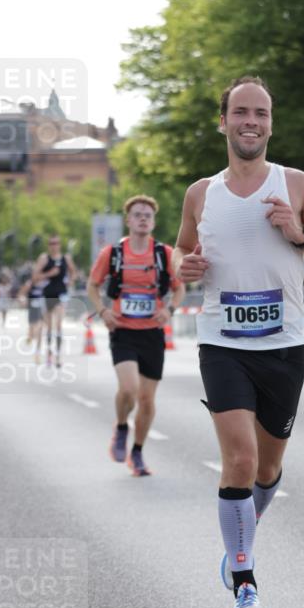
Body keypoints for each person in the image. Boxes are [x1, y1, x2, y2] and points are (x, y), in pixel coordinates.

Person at [173, 76, 304, 608]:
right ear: (223, 122)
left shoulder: (294, 183)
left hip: (283, 345)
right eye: (241, 112)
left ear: (270, 124)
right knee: (241, 461)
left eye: (261, 113)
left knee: (267, 470)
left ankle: (238, 540)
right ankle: (245, 589)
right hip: (222, 343)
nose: (251, 121)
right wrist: (182, 266)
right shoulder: (201, 193)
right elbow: (182, 248)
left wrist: (299, 235)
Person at [87, 195, 184, 476]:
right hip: (123, 331)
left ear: (153, 222)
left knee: (147, 400)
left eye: (147, 215)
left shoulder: (164, 254)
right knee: (129, 389)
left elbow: (179, 288)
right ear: (128, 220)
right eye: (138, 215)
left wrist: (169, 310)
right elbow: (93, 285)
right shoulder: (112, 254)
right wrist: (103, 311)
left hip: (152, 333)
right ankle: (121, 427)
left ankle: (137, 452)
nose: (143, 219)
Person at [31, 236, 76, 368]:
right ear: (48, 245)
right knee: (49, 327)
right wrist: (49, 274)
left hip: (61, 294)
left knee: (59, 325)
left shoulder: (66, 258)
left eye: (56, 243)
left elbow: (74, 273)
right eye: (51, 243)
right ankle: (49, 355)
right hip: (47, 295)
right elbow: (34, 277)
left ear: (60, 245)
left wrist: (71, 281)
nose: (54, 245)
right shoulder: (44, 259)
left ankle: (58, 356)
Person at [18, 275, 47, 363]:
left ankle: (37, 354)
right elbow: (21, 294)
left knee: (40, 330)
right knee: (32, 329)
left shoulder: (45, 283)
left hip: (42, 309)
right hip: (32, 309)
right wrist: (23, 300)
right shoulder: (30, 283)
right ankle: (30, 337)